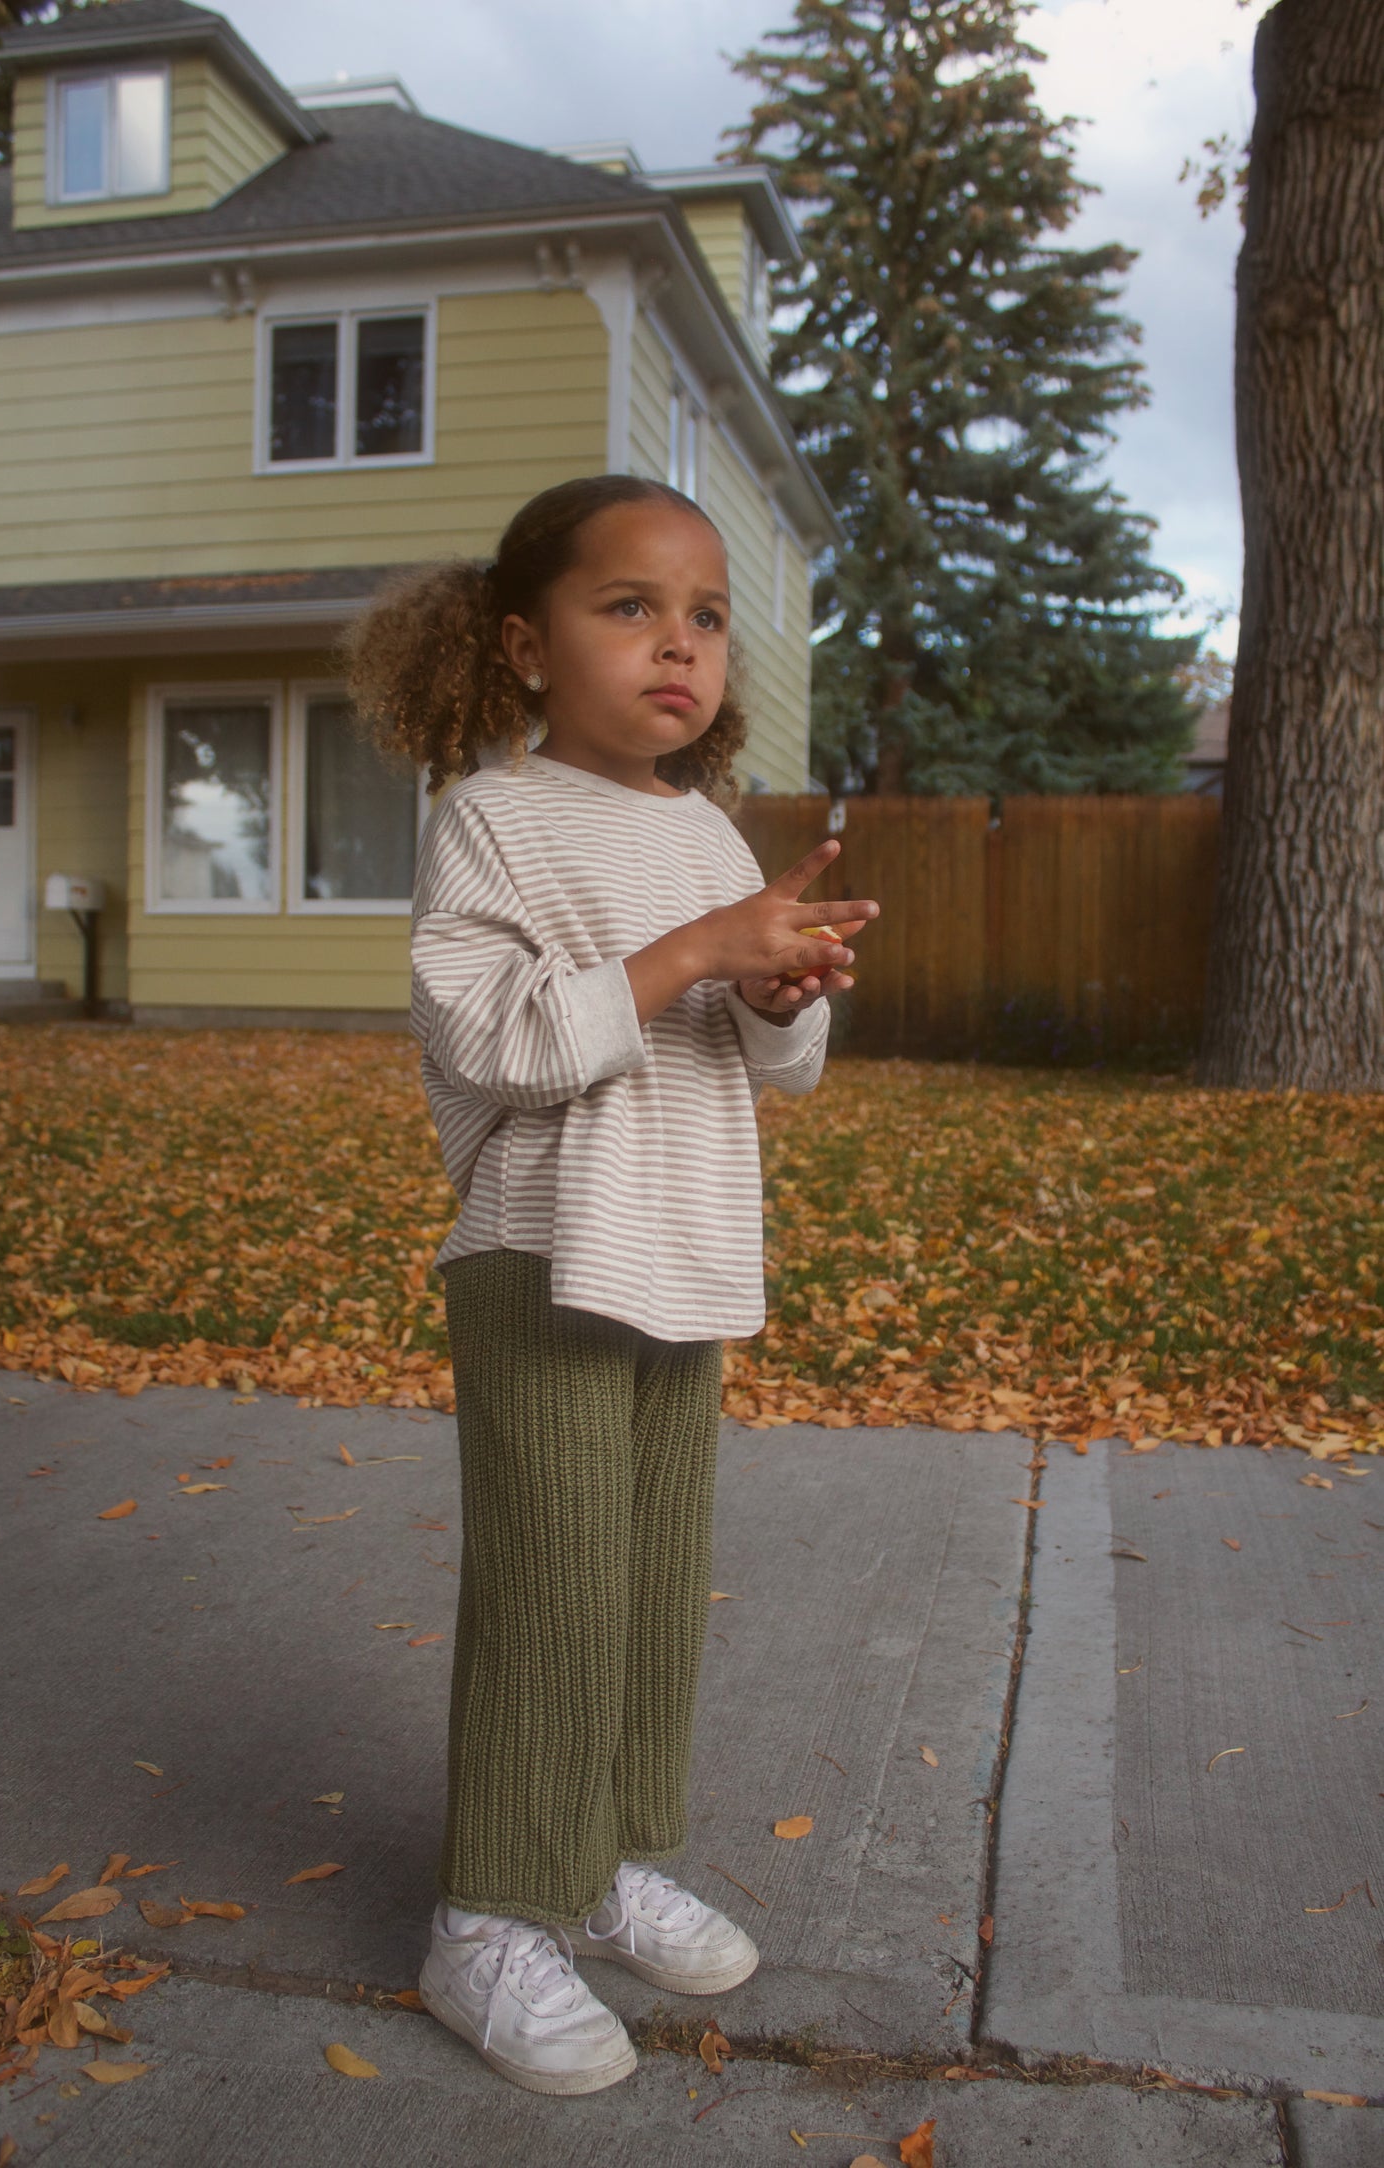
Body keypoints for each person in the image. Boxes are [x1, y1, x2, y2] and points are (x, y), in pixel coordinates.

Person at [345, 473, 877, 2097]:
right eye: (629, 606)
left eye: (705, 616)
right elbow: (489, 1040)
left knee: (647, 1585)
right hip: (547, 1248)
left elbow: (768, 1070)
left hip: (685, 1249)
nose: (678, 644)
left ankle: (604, 1860)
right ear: (522, 643)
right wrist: (694, 954)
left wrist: (778, 982)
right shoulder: (489, 817)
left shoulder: (703, 831)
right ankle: (491, 1912)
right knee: (552, 1586)